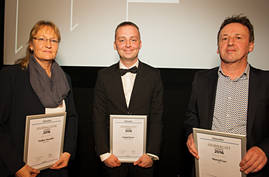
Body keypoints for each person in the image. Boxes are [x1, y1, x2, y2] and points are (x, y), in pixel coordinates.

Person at [184, 15, 269, 176]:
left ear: (251, 45)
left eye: (238, 37)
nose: (230, 43)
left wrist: (264, 150)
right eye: (224, 38)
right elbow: (191, 116)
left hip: (250, 170)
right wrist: (191, 134)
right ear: (218, 47)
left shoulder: (266, 82)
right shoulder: (201, 79)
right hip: (207, 168)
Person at [0, 20, 78, 177]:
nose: (48, 44)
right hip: (21, 168)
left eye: (53, 40)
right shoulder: (11, 76)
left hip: (56, 166)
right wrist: (16, 166)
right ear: (31, 44)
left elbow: (72, 118)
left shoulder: (65, 79)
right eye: (41, 39)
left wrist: (68, 152)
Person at [92, 21, 163, 177]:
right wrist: (104, 154)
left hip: (143, 158)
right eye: (122, 40)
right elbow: (98, 117)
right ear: (115, 44)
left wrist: (151, 154)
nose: (128, 45)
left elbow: (157, 117)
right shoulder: (103, 76)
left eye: (133, 39)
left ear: (140, 43)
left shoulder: (154, 75)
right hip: (113, 158)